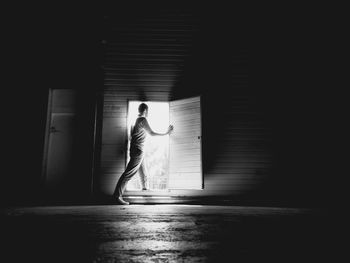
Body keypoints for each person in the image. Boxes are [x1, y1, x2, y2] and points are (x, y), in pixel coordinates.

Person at [113, 103, 174, 205]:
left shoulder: (135, 121)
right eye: (148, 111)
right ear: (145, 110)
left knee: (143, 170)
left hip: (136, 149)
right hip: (138, 150)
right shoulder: (142, 119)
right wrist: (166, 133)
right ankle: (116, 196)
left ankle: (145, 189)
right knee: (128, 173)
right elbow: (151, 133)